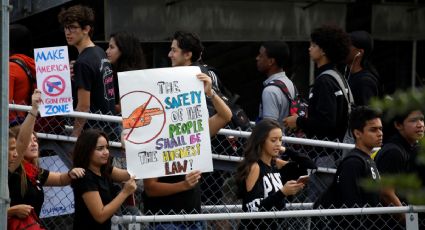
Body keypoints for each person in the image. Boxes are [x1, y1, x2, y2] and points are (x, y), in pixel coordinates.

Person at [142, 73, 232, 229]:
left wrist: (211, 93)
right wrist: (184, 185)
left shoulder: (192, 132)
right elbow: (150, 188)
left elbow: (226, 116)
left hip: (193, 219)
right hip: (166, 221)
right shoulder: (154, 137)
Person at [283, 25, 351, 201]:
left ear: (324, 50)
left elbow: (325, 123)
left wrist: (298, 121)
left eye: (313, 45)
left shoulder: (325, 81)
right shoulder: (337, 77)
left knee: (317, 205)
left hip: (327, 155)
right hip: (337, 152)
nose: (309, 48)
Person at [8, 89, 85, 219]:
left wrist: (71, 174)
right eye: (29, 141)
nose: (34, 144)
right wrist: (34, 109)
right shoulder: (11, 170)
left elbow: (60, 179)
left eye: (35, 140)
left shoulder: (33, 171)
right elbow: (21, 142)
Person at [315, 106, 383, 230]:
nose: (380, 134)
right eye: (373, 130)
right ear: (357, 133)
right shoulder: (353, 163)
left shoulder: (367, 159)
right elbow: (351, 209)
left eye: (380, 129)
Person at [58, 5, 116, 138]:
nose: (68, 32)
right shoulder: (100, 52)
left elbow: (83, 106)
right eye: (66, 27)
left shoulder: (83, 62)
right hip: (108, 129)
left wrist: (75, 135)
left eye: (72, 27)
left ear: (86, 29)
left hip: (92, 133)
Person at [235, 119, 305, 229]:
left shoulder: (275, 165)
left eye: (280, 140)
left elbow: (311, 166)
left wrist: (287, 150)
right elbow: (252, 209)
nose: (278, 144)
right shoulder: (255, 167)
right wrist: (282, 193)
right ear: (261, 141)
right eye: (273, 140)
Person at [71, 129, 137, 230]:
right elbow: (100, 216)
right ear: (87, 150)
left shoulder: (104, 169)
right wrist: (125, 192)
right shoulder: (85, 176)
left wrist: (128, 150)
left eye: (107, 147)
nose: (106, 152)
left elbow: (131, 174)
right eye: (100, 149)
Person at [375, 110, 424, 227]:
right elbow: (386, 193)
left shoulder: (412, 147)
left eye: (422, 119)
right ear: (398, 125)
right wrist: (411, 225)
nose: (420, 125)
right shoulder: (394, 152)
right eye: (413, 120)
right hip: (394, 223)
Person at [256, 41, 295, 129]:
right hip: (286, 140)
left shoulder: (270, 91)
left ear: (271, 61)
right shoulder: (289, 83)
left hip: (275, 140)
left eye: (261, 55)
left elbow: (269, 129)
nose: (257, 58)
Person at [106, 31, 147, 114]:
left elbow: (123, 108)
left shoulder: (129, 76)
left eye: (112, 47)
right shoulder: (115, 69)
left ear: (123, 50)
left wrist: (100, 103)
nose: (107, 51)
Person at [9, 24, 36, 123]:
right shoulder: (33, 64)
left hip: (12, 125)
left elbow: (5, 101)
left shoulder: (11, 67)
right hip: (29, 121)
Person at [345, 30, 381, 106]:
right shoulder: (347, 74)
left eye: (348, 45)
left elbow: (368, 114)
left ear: (360, 52)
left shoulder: (365, 81)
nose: (343, 48)